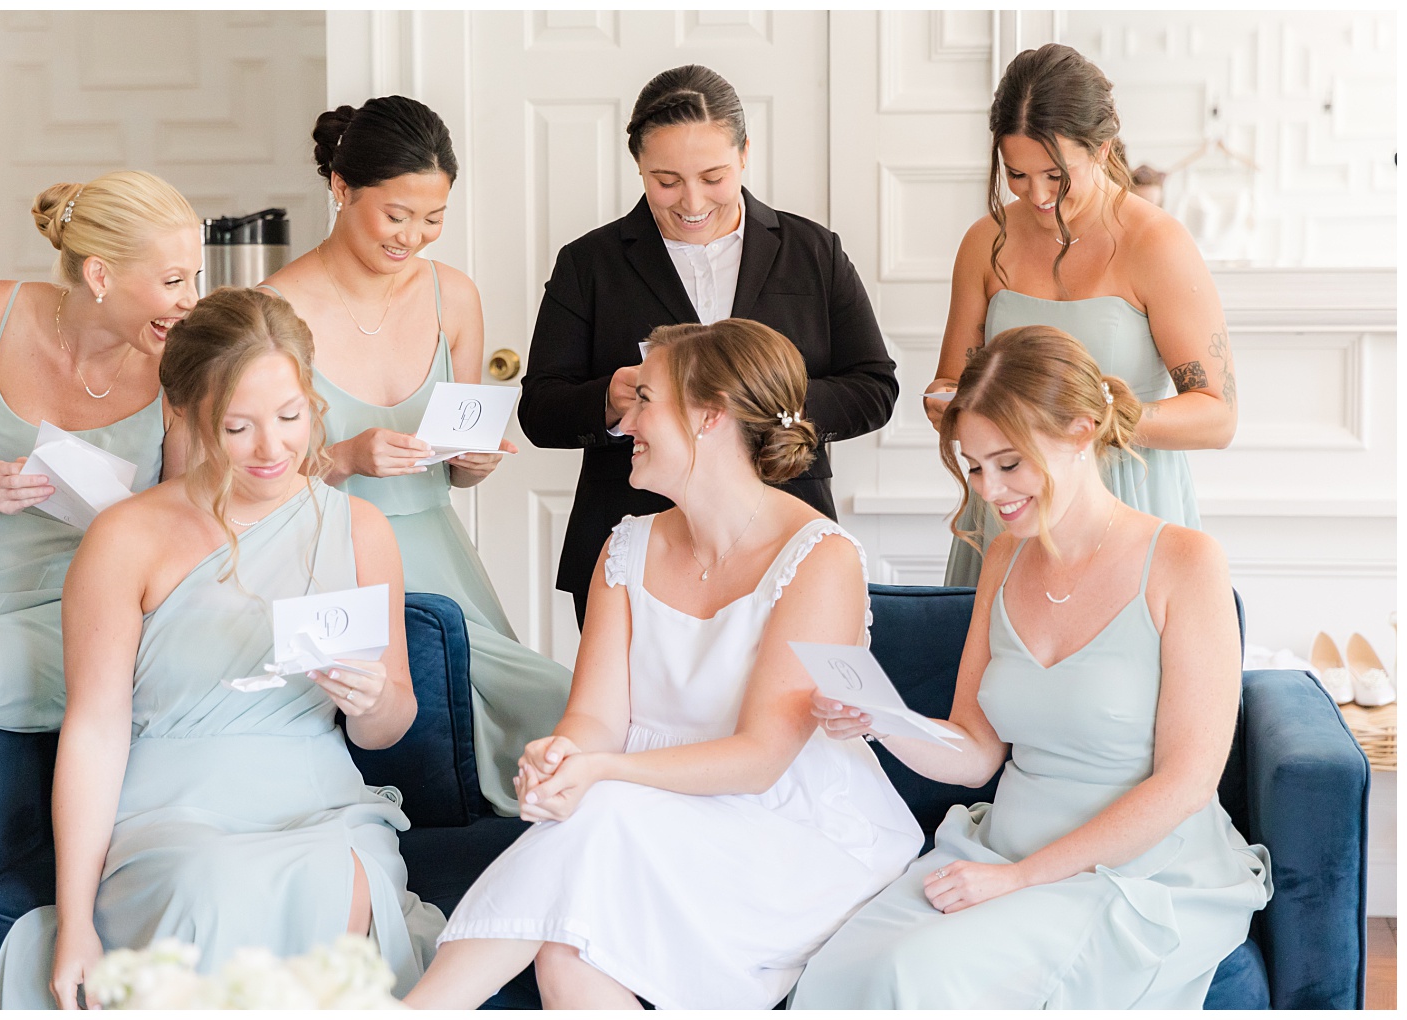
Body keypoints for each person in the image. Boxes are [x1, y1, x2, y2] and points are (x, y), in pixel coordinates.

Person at [401, 319, 922, 1010]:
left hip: (790, 831)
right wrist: (563, 754)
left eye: (646, 399)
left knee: (601, 815)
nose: (624, 421)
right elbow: (594, 718)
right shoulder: (626, 545)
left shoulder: (820, 558)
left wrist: (601, 773)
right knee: (569, 959)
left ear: (711, 416)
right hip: (644, 816)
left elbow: (761, 758)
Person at [0, 288, 445, 1009]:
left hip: (319, 801)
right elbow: (94, 728)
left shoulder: (359, 529)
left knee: (337, 877)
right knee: (210, 885)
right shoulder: (126, 537)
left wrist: (373, 699)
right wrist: (75, 919)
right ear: (186, 412)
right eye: (237, 426)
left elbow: (389, 726)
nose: (272, 450)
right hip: (171, 810)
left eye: (291, 418)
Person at [793, 326, 1269, 1009]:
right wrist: (881, 723)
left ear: (1081, 432)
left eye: (1009, 463)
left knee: (917, 973)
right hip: (1000, 851)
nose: (990, 489)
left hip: (1135, 868)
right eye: (975, 466)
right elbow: (977, 751)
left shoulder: (1186, 562)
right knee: (838, 969)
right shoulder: (1003, 561)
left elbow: (1188, 782)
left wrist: (1022, 882)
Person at [260, 94, 571, 818]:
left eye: (432, 219)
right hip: (329, 558)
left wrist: (473, 462)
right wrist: (341, 457)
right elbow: (244, 478)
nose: (413, 237)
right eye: (395, 215)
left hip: (439, 551)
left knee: (548, 705)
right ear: (341, 189)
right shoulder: (273, 310)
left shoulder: (452, 296)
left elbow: (456, 457)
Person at [519, 64, 899, 628]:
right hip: (630, 542)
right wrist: (611, 400)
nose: (691, 201)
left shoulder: (813, 251)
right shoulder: (589, 263)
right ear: (639, 166)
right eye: (666, 180)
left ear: (745, 152)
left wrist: (761, 407)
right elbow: (540, 409)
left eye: (713, 176)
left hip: (786, 534)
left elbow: (874, 387)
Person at [925, 43, 1237, 587]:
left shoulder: (1156, 244)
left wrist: (1096, 418)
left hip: (1124, 504)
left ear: (1102, 147)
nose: (1037, 196)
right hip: (1011, 513)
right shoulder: (984, 243)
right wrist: (947, 402)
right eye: (1016, 175)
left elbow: (1217, 416)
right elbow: (953, 382)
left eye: (1055, 174)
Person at [0, 171, 198, 732]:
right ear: (100, 274)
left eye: (194, 278)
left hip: (92, 606)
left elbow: (181, 523)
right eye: (174, 280)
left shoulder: (179, 362)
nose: (190, 300)